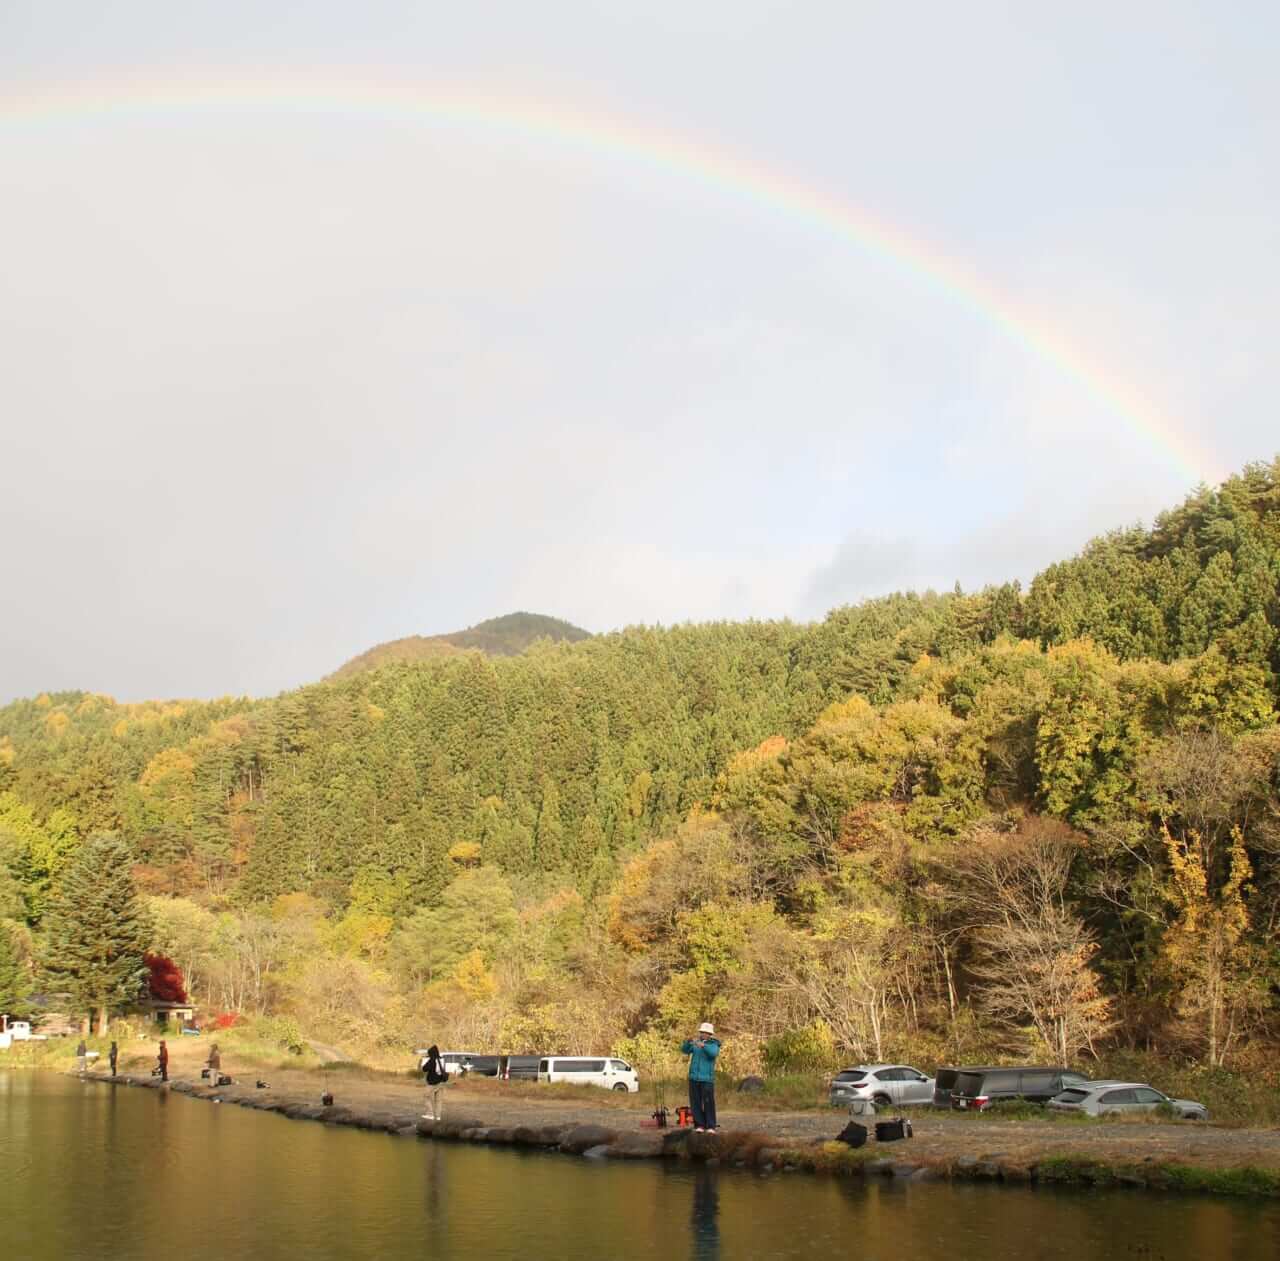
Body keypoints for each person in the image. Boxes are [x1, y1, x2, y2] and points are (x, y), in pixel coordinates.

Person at [680, 1022, 721, 1133]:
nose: (703, 1034)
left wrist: (703, 1046)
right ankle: (699, 1125)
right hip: (693, 1078)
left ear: (710, 1034)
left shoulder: (714, 1044)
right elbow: (684, 1050)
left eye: (706, 1032)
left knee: (708, 1102)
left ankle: (711, 1126)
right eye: (702, 1032)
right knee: (695, 1103)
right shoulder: (696, 1043)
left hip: (707, 1079)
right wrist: (688, 1042)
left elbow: (713, 1054)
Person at [421, 1044, 449, 1121]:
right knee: (439, 1100)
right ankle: (438, 1116)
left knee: (426, 1097)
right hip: (441, 1082)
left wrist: (427, 1061)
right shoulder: (442, 1059)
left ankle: (430, 1114)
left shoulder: (432, 1060)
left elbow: (424, 1069)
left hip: (433, 1083)